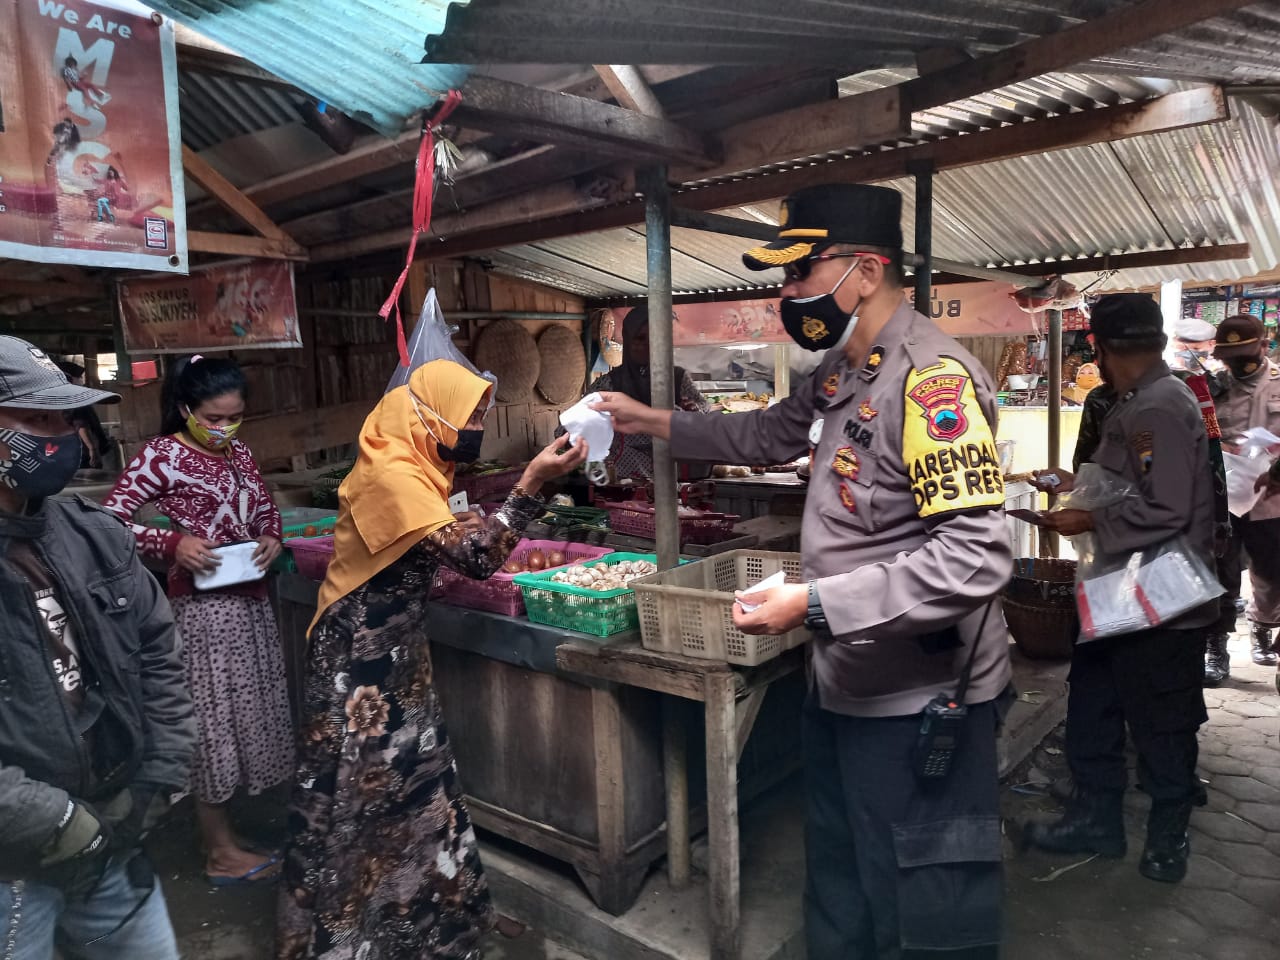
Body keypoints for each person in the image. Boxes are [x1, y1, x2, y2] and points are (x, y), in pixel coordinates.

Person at [594, 184, 1013, 959]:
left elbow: (975, 556)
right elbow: (766, 433)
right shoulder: (842, 371)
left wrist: (814, 604)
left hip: (917, 697)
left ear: (864, 270)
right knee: (841, 876)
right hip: (844, 681)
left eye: (799, 274)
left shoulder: (931, 380)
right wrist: (649, 420)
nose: (785, 295)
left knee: (922, 903)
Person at [276, 360, 588, 960]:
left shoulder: (419, 464)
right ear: (426, 410)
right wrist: (529, 484)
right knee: (360, 793)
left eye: (479, 414)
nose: (475, 425)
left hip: (397, 654)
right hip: (359, 663)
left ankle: (428, 926)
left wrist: (499, 506)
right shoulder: (393, 472)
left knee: (416, 787)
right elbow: (476, 560)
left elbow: (439, 540)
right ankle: (349, 938)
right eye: (467, 413)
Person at [0, 336, 194, 958]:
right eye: (34, 420)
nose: (60, 437)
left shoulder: (93, 534)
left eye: (64, 419)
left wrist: (156, 779)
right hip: (14, 867)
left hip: (113, 832)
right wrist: (59, 824)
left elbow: (158, 652)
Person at [1027, 294, 1214, 885]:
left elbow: (1169, 507)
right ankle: (1095, 821)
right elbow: (1127, 484)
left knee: (1161, 724)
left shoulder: (1159, 406)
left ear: (1102, 351)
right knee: (1094, 713)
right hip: (1118, 593)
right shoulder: (1141, 399)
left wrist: (1088, 521)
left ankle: (1167, 839)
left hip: (1159, 599)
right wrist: (1073, 486)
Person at [102, 356, 293, 886]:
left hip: (250, 606)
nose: (224, 428)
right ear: (185, 409)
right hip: (203, 616)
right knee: (212, 725)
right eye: (212, 418)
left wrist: (271, 534)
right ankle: (218, 849)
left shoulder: (240, 453)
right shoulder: (161, 456)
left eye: (234, 417)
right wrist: (171, 543)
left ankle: (228, 834)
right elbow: (109, 522)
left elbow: (263, 509)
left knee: (243, 716)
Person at [1207, 313, 1280, 674]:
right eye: (1229, 357)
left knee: (1270, 571)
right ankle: (1216, 647)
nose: (1236, 365)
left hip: (1271, 499)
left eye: (1244, 356)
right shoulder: (1214, 386)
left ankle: (1263, 629)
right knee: (1221, 570)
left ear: (1264, 347)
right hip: (1224, 496)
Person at [585, 306, 711, 481]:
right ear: (628, 340)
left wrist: (693, 411)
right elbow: (571, 426)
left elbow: (704, 409)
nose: (646, 345)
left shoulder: (677, 377)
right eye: (640, 338)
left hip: (672, 479)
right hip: (624, 483)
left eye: (654, 338)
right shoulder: (610, 383)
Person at [56, 360, 112, 469]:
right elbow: (81, 425)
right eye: (79, 377)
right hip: (83, 453)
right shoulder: (75, 399)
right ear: (68, 379)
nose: (81, 380)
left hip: (66, 452)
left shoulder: (56, 399)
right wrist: (92, 449)